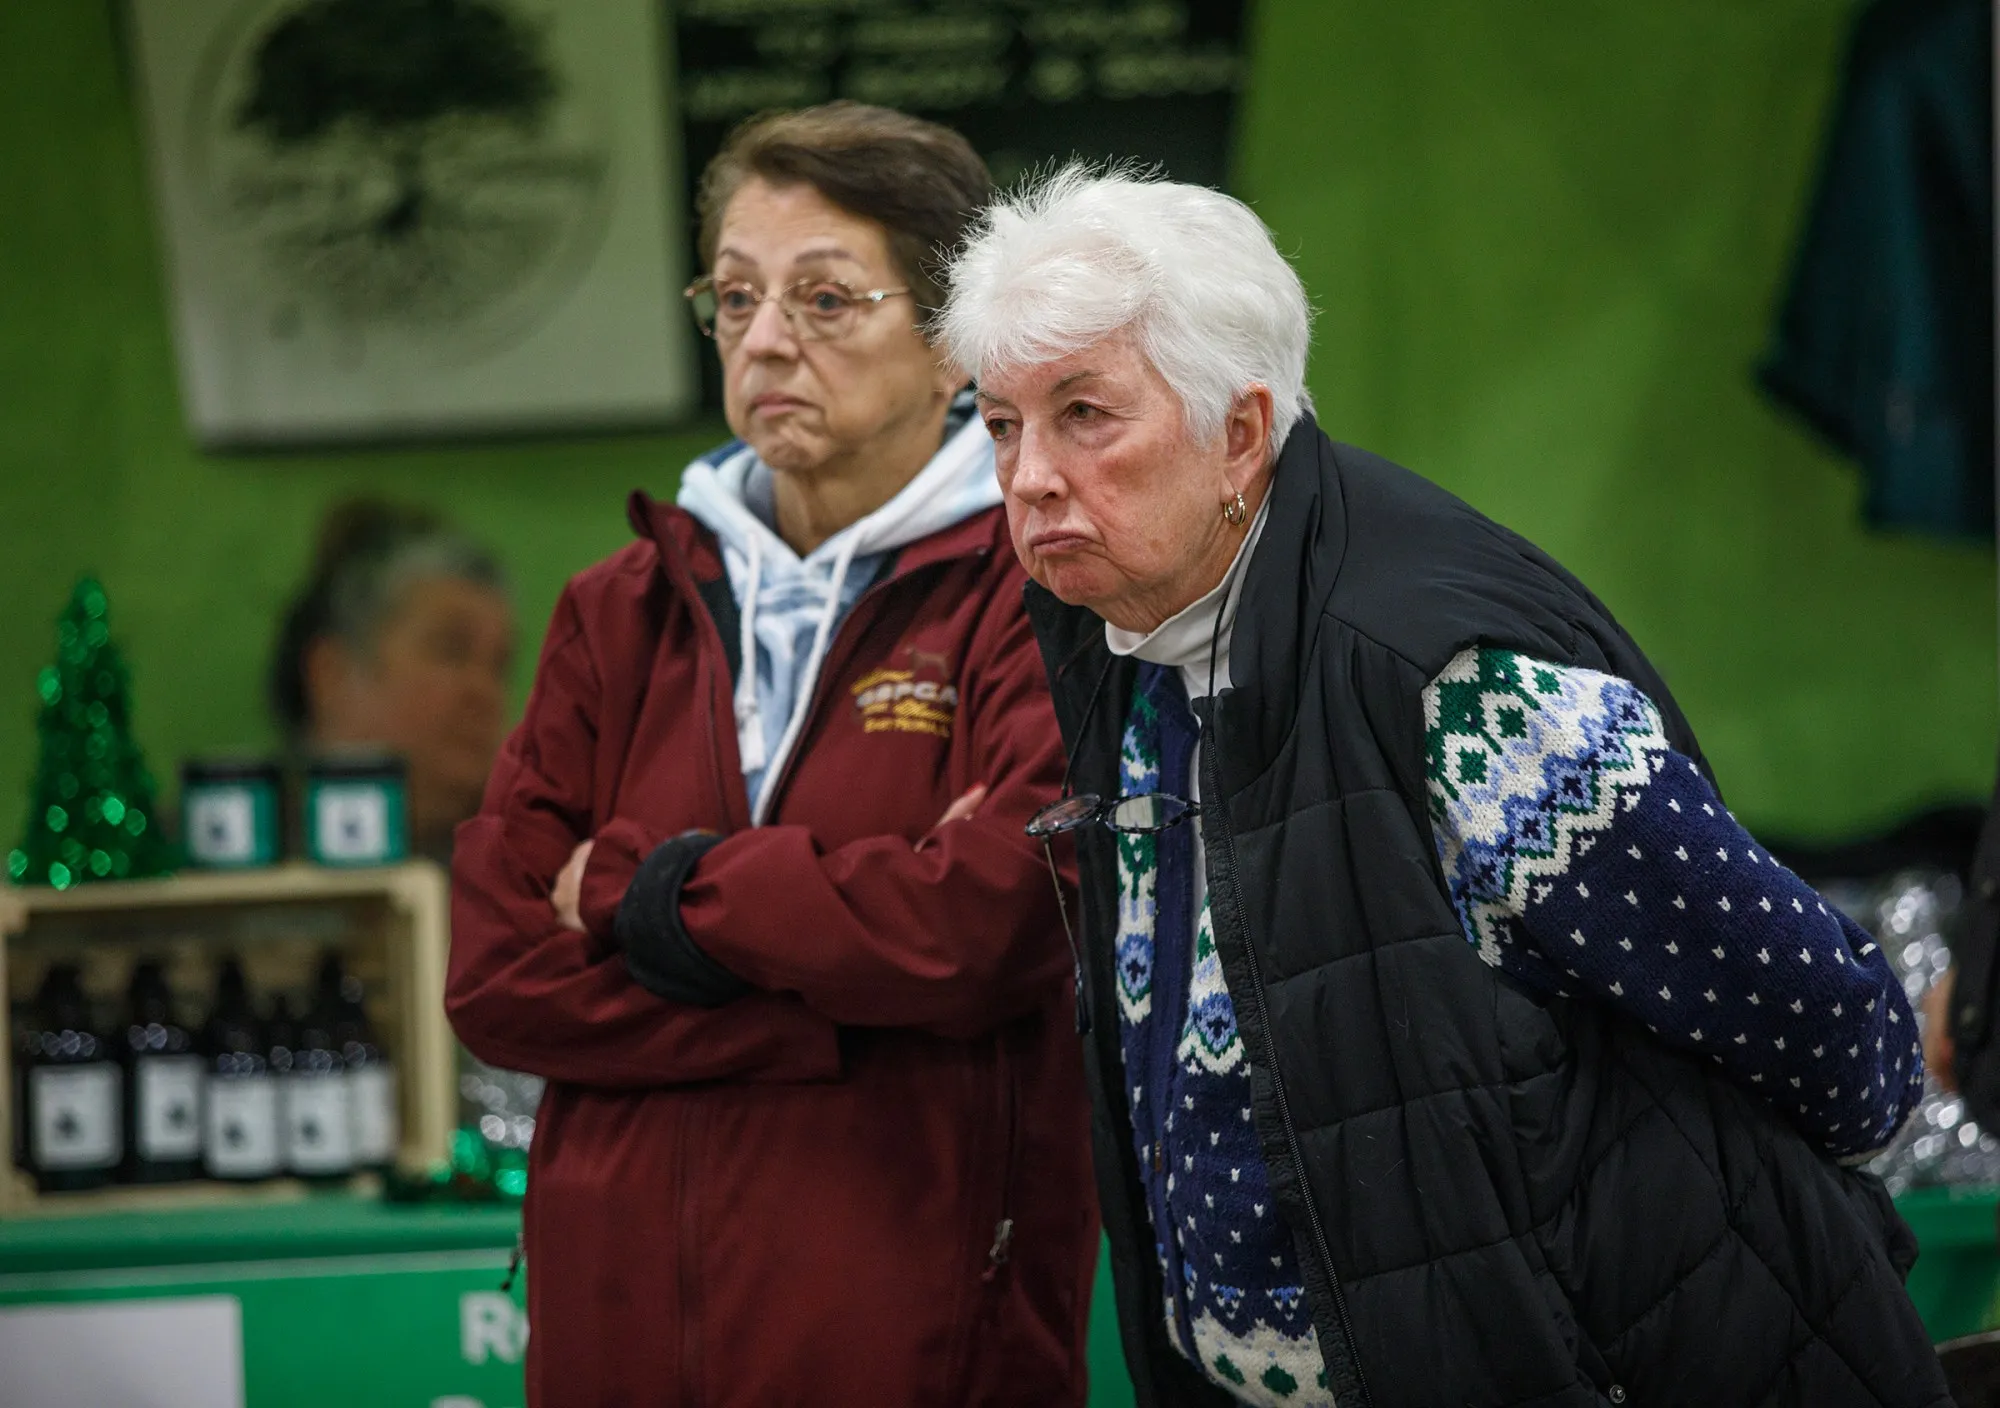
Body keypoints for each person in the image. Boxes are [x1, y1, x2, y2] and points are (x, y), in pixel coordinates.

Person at [939, 166, 1949, 1408]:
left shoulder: (1451, 688)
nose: (1029, 474)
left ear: (1240, 434)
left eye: (1084, 413)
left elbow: (1835, 1031)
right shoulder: (1125, 645)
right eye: (999, 424)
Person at [445, 104, 1098, 1407]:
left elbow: (986, 928)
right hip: (614, 1345)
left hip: (913, 1341)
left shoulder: (1035, 594)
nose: (763, 338)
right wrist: (835, 1001)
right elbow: (500, 973)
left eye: (825, 299)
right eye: (734, 296)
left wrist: (653, 898)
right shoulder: (616, 608)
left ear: (952, 345)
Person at [270, 498, 514, 860]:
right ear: (331, 676)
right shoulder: (206, 865)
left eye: (499, 666)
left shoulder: (536, 877)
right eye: (451, 650)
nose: (484, 691)